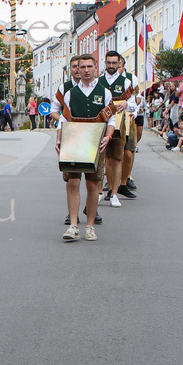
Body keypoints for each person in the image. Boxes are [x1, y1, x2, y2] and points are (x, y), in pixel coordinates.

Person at [55, 54, 115, 242]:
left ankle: (89, 226)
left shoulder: (104, 92)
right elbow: (64, 119)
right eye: (83, 67)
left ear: (96, 67)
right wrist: (59, 139)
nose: (86, 70)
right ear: (77, 70)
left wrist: (108, 135)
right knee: (73, 182)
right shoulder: (70, 93)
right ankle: (74, 225)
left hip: (96, 142)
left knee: (92, 184)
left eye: (90, 66)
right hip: (74, 140)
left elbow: (111, 119)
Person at [99, 50, 137, 206]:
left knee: (117, 158)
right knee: (105, 158)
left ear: (119, 63)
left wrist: (127, 103)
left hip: (120, 123)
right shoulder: (99, 80)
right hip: (103, 122)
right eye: (109, 62)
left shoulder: (126, 81)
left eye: (114, 63)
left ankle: (115, 193)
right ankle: (107, 189)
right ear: (105, 63)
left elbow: (135, 104)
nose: (111, 65)